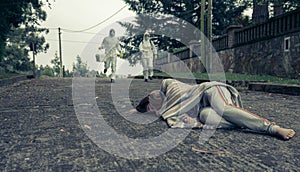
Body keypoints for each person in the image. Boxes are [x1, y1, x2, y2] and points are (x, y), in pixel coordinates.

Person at [136, 79, 295, 140]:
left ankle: (271, 128)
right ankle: (242, 121)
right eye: (150, 111)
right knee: (206, 117)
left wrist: (159, 107)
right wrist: (195, 122)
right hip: (204, 108)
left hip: (209, 91)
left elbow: (161, 97)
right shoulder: (171, 111)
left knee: (223, 108)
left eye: (150, 106)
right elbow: (179, 118)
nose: (153, 110)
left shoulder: (168, 87)